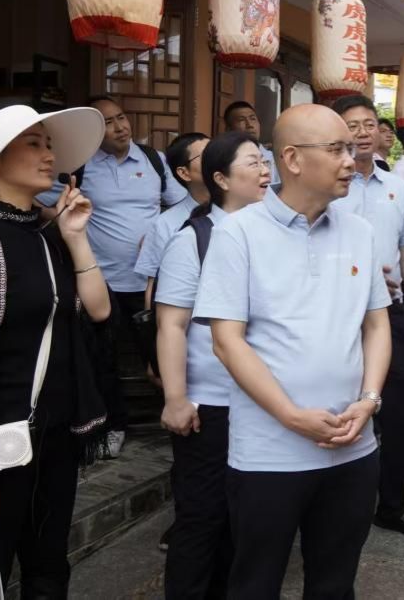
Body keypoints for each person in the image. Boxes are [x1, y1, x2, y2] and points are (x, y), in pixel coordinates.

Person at [193, 104, 391, 598]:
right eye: (337, 149)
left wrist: (369, 400)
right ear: (293, 159)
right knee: (255, 583)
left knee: (335, 582)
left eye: (351, 148)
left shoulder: (360, 231)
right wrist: (290, 415)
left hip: (353, 446)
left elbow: (376, 324)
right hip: (269, 452)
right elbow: (227, 340)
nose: (351, 160)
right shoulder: (238, 232)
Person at [0, 105, 111, 597]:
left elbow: (98, 311)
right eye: (33, 143)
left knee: (49, 572)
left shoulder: (48, 233)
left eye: (48, 144)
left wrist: (75, 237)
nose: (48, 154)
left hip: (53, 441)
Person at [37, 95, 188, 458]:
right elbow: (39, 201)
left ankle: (179, 417)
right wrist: (66, 226)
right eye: (108, 122)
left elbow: (182, 205)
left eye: (121, 117)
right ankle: (114, 425)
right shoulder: (80, 167)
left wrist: (161, 238)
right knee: (103, 360)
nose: (120, 127)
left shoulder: (154, 160)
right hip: (100, 282)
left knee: (162, 355)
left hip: (149, 281)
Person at [157, 132, 272, 599]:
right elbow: (171, 325)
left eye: (265, 161)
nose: (265, 171)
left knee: (245, 520)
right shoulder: (194, 239)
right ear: (221, 179)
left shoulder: (271, 234)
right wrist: (176, 398)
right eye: (253, 163)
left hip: (264, 403)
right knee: (201, 517)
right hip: (211, 404)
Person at [331, 95, 404, 540]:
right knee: (339, 408)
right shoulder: (321, 185)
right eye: (351, 125)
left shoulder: (397, 188)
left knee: (396, 413)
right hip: (334, 316)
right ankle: (333, 505)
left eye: (368, 124)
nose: (361, 132)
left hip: (391, 316)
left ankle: (392, 505)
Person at [134, 133, 210, 306]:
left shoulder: (242, 209)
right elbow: (153, 286)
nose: (216, 159)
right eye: (206, 155)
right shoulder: (165, 224)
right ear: (184, 173)